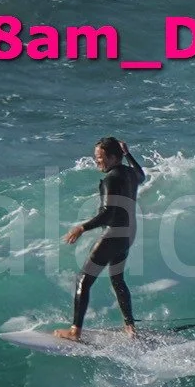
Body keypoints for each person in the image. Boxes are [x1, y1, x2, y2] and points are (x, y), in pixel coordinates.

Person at [58, 137, 144, 341]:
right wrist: (128, 154)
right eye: (96, 157)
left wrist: (82, 227)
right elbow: (142, 175)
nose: (96, 161)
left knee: (83, 280)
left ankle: (74, 331)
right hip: (128, 234)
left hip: (113, 234)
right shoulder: (130, 174)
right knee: (117, 279)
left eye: (100, 158)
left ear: (114, 158)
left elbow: (108, 213)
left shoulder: (110, 179)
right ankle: (130, 327)